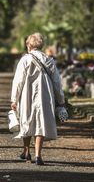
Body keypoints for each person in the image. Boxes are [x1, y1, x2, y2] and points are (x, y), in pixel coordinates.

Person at [10, 32, 65, 165]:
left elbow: (18, 81)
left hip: (26, 95)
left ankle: (26, 151)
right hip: (44, 95)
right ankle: (38, 155)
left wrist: (14, 99)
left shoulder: (25, 60)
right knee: (41, 123)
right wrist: (61, 99)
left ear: (28, 45)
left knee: (26, 121)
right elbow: (57, 82)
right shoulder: (48, 60)